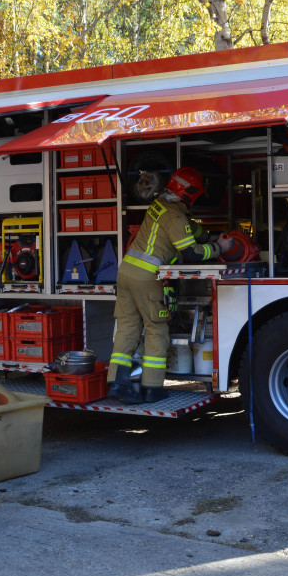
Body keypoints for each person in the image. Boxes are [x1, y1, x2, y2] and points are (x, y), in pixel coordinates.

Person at [108, 167, 233, 404]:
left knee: (127, 327)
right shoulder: (175, 216)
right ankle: (152, 388)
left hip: (126, 273)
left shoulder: (161, 205)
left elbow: (188, 228)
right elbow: (192, 253)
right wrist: (220, 248)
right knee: (156, 329)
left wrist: (209, 236)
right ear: (190, 193)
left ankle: (117, 383)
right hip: (147, 278)